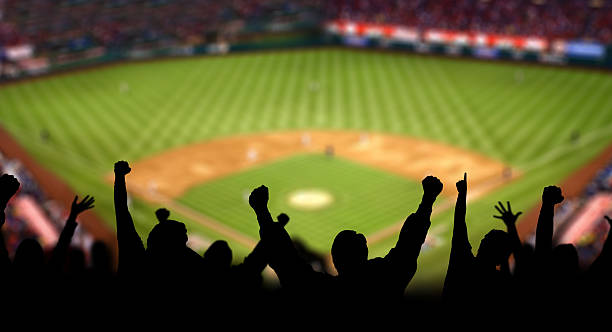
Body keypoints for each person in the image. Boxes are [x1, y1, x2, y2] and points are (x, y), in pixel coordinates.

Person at [248, 175, 442, 308]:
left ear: (336, 260)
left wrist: (261, 211)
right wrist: (427, 199)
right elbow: (409, 245)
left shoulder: (324, 293)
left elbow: (288, 265)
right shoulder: (388, 279)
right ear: (365, 254)